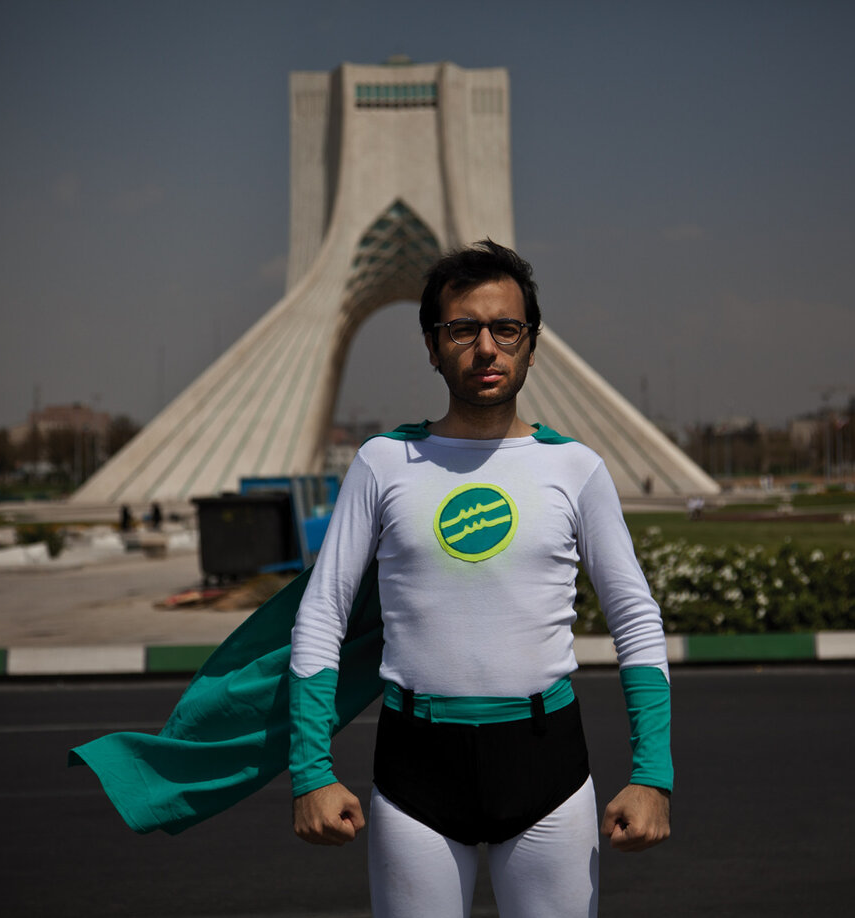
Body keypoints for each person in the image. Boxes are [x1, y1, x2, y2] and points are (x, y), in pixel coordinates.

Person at [287, 239, 672, 917]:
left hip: (546, 766)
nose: (486, 348)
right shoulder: (384, 462)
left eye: (506, 328)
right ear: (432, 347)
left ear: (532, 344)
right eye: (463, 329)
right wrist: (310, 771)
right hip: (415, 768)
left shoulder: (575, 469)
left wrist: (653, 775)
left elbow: (635, 619)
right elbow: (322, 613)